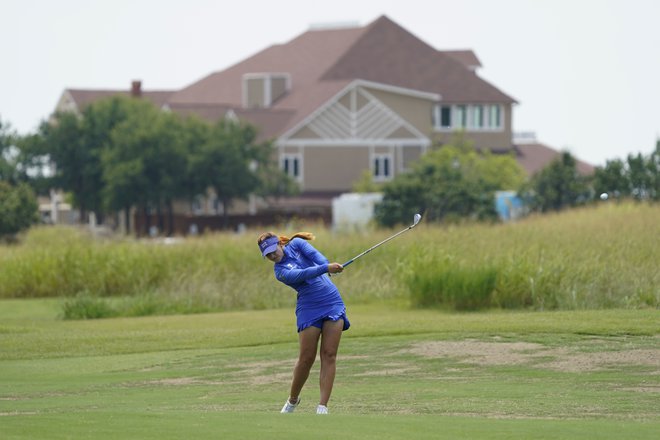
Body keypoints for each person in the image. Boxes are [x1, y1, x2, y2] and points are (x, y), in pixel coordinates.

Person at [258, 231, 350, 415]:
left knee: (329, 354)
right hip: (309, 308)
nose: (272, 255)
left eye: (272, 250)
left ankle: (322, 406)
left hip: (332, 302)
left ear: (279, 244)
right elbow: (302, 274)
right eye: (267, 254)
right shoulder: (280, 272)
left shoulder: (298, 244)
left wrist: (328, 265)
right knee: (306, 358)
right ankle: (293, 400)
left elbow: (317, 257)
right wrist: (325, 268)